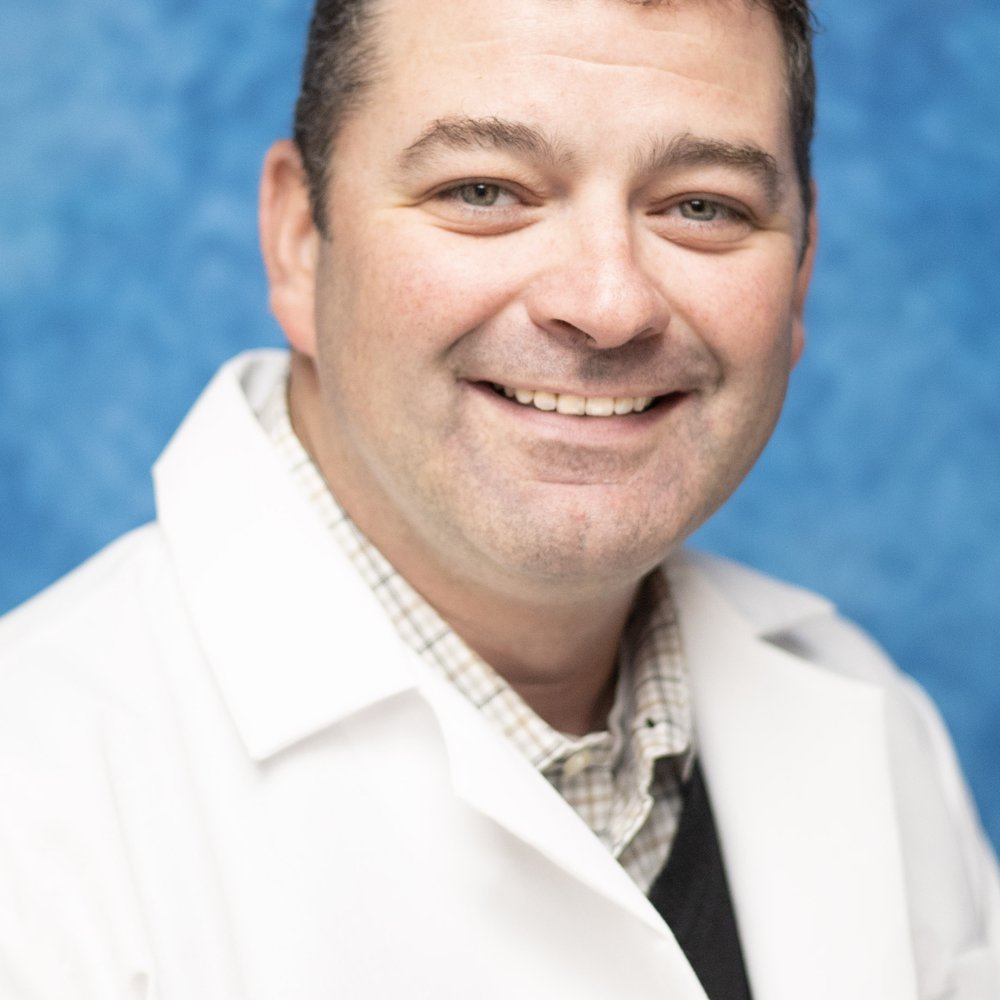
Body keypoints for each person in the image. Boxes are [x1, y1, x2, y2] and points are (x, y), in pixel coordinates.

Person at [1, 0, 997, 996]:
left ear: (801, 271)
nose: (608, 305)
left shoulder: (870, 716)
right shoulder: (35, 803)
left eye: (702, 206)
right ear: (300, 238)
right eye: (481, 190)